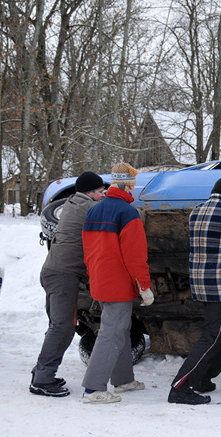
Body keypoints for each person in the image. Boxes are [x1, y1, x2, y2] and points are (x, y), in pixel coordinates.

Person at [168, 173, 221, 405]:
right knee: (213, 337)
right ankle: (180, 386)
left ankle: (203, 378)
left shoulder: (196, 211)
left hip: (200, 283)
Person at [80, 162, 154, 404]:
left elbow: (88, 251)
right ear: (128, 186)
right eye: (133, 186)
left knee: (119, 329)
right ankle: (93, 389)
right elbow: (135, 257)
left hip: (100, 281)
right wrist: (144, 286)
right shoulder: (128, 213)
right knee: (111, 333)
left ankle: (123, 380)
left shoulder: (94, 210)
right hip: (118, 285)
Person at [30, 172, 106, 397]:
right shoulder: (89, 208)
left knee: (58, 326)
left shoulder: (73, 203)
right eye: (101, 191)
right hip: (63, 275)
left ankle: (42, 372)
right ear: (91, 192)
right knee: (62, 327)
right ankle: (42, 379)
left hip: (54, 272)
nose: (103, 195)